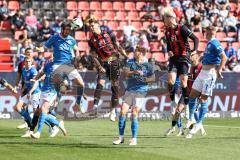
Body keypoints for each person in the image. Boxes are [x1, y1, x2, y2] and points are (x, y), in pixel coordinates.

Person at [186, 26, 227, 138]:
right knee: (192, 95)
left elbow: (224, 57)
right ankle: (192, 119)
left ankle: (199, 123)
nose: (204, 33)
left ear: (210, 33)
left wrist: (219, 70)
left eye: (206, 31)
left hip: (209, 74)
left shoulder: (214, 43)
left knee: (203, 99)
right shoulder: (209, 43)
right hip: (202, 73)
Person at [36, 21, 85, 112]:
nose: (68, 32)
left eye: (69, 30)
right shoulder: (55, 38)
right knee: (62, 86)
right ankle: (52, 104)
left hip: (68, 66)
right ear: (62, 29)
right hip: (57, 65)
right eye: (66, 30)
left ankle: (78, 102)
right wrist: (40, 49)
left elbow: (76, 49)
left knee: (81, 84)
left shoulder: (71, 39)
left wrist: (77, 57)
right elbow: (45, 47)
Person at [86, 16, 128, 121]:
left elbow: (117, 44)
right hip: (103, 62)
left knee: (114, 85)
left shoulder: (107, 32)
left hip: (113, 60)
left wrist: (125, 55)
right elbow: (93, 55)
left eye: (92, 26)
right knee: (100, 83)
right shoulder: (91, 40)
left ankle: (113, 111)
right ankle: (95, 107)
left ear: (97, 25)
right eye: (90, 26)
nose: (91, 28)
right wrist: (99, 66)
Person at [113, 46, 155, 146]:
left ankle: (134, 139)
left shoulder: (148, 65)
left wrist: (144, 79)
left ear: (141, 53)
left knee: (134, 113)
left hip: (141, 91)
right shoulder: (130, 62)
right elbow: (125, 73)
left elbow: (152, 78)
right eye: (135, 50)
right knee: (122, 112)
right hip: (130, 90)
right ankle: (121, 138)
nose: (134, 52)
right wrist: (134, 72)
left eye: (136, 51)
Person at [163, 8, 199, 118]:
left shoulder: (182, 28)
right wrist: (168, 51)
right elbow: (169, 45)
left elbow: (196, 39)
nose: (163, 20)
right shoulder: (167, 31)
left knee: (183, 83)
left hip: (184, 57)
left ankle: (186, 104)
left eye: (164, 18)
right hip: (174, 58)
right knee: (170, 81)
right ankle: (173, 102)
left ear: (170, 18)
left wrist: (194, 51)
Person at [30, 60, 67, 139]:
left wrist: (63, 86)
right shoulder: (48, 65)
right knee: (40, 113)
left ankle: (38, 133)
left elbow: (65, 83)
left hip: (52, 91)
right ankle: (59, 124)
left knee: (43, 110)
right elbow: (42, 73)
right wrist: (35, 79)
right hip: (44, 91)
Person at [14, 56, 41, 137]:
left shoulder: (33, 70)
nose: (28, 63)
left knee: (37, 113)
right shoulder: (24, 70)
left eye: (29, 61)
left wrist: (30, 92)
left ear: (31, 62)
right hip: (28, 93)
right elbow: (26, 82)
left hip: (35, 93)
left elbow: (36, 83)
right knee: (17, 107)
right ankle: (30, 123)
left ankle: (54, 124)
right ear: (24, 62)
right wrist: (23, 90)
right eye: (26, 61)